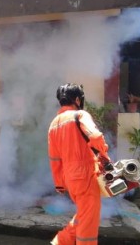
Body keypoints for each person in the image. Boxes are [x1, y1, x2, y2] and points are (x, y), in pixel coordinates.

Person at [48, 83, 112, 245]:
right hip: (86, 176)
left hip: (71, 179)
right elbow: (96, 137)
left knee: (83, 215)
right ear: (77, 99)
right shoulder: (80, 115)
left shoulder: (54, 124)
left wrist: (59, 184)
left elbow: (55, 159)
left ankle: (59, 242)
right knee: (88, 223)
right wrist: (104, 155)